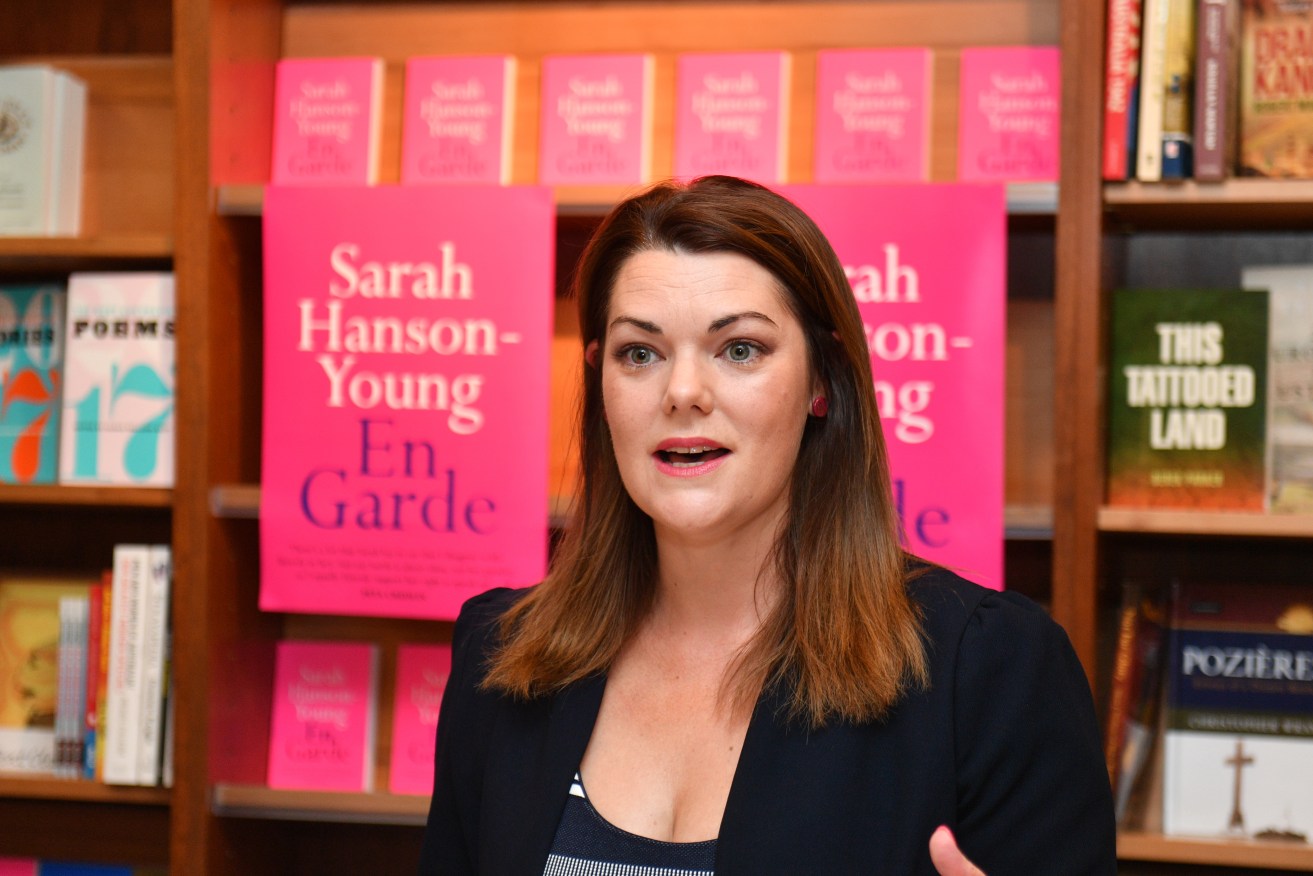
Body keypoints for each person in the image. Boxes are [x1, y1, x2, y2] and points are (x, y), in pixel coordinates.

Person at [419, 176, 1116, 875]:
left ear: (822, 382)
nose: (682, 393)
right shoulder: (500, 658)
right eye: (640, 353)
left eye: (740, 349)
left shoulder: (991, 673)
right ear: (601, 384)